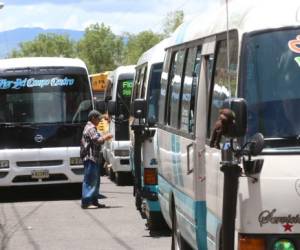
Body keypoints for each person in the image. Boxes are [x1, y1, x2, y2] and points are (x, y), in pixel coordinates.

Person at [81, 110, 113, 209]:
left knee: (95, 181)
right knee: (90, 180)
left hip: (94, 158)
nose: (99, 121)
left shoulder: (92, 127)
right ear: (93, 118)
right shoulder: (91, 128)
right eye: (98, 119)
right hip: (91, 158)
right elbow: (97, 140)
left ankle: (94, 201)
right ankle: (87, 202)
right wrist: (106, 137)